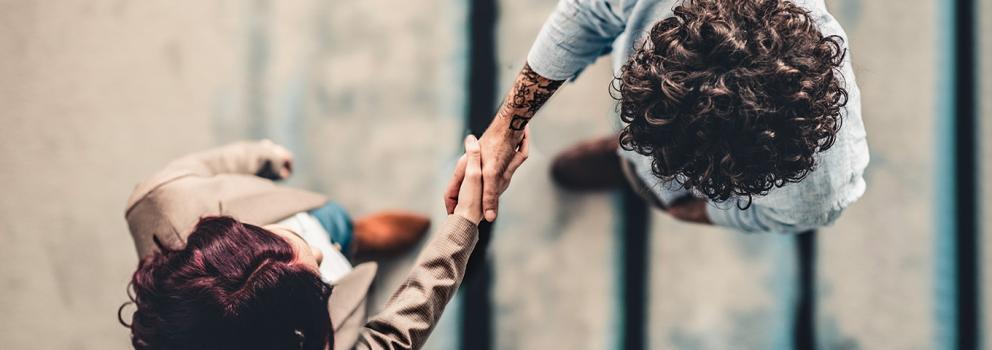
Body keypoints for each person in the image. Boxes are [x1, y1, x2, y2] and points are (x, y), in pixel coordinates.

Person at [446, 0, 869, 234]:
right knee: (641, 163)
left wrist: (696, 211)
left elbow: (780, 214)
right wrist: (505, 128)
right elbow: (591, 12)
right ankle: (628, 164)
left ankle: (633, 171)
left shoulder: (819, 190)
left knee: (650, 178)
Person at [119, 136, 524, 349]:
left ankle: (356, 236)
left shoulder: (160, 199)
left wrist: (260, 156)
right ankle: (354, 242)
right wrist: (464, 224)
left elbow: (200, 167)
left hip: (310, 217)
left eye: (286, 239)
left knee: (332, 224)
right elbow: (395, 335)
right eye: (318, 281)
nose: (316, 250)